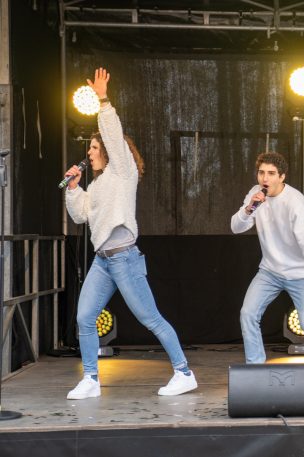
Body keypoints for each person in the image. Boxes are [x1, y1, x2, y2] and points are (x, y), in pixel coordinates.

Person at [63, 68, 197, 400]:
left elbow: (112, 131)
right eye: (90, 148)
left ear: (109, 151)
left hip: (124, 258)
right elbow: (81, 215)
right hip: (103, 261)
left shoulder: (122, 172)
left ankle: (184, 372)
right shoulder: (97, 185)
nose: (90, 152)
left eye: (94, 148)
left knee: (150, 318)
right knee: (84, 316)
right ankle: (91, 379)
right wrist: (73, 189)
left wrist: (103, 100)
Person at [231, 152, 304, 388]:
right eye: (262, 172)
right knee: (248, 314)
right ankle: (255, 369)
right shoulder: (256, 194)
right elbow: (236, 227)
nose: (265, 177)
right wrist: (249, 207)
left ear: (282, 177)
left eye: (271, 173)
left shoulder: (295, 202)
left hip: (300, 274)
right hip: (270, 271)